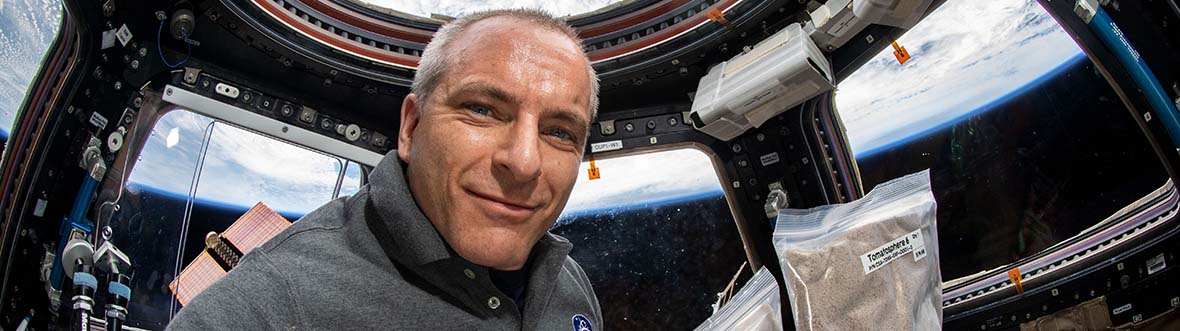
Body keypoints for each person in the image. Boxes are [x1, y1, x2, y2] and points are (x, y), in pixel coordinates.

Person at [166, 9, 602, 330]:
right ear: (411, 128)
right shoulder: (267, 305)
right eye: (482, 109)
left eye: (560, 133)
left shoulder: (565, 281)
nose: (524, 162)